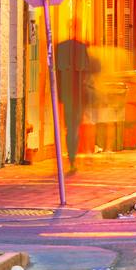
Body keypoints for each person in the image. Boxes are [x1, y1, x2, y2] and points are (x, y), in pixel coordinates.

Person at [53, 20, 97, 173]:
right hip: (76, 97)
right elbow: (88, 76)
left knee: (70, 128)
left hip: (69, 96)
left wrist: (59, 96)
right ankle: (72, 158)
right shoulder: (81, 48)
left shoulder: (61, 48)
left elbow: (57, 75)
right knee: (73, 128)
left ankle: (72, 158)